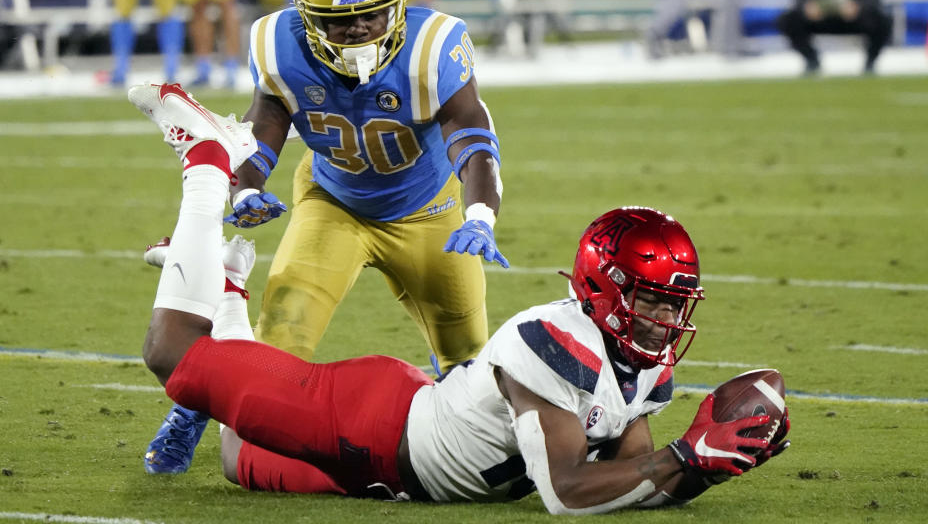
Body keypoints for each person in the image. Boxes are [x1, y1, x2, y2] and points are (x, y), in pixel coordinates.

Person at [126, 82, 791, 509]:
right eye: (653, 301)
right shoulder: (554, 342)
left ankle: (229, 289)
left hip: (402, 471)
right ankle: (208, 166)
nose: (666, 320)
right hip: (373, 424)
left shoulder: (641, 364)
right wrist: (684, 456)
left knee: (239, 457)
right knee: (172, 354)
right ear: (607, 290)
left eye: (675, 305)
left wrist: (705, 468)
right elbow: (567, 493)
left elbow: (636, 478)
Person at [143, 0, 508, 475]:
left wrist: (480, 215)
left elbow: (474, 135)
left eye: (372, 13)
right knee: (278, 341)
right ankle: (195, 405)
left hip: (429, 210)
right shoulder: (278, 43)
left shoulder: (435, 45)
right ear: (309, 17)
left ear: (401, 0)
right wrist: (248, 185)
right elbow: (266, 121)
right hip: (333, 203)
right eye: (340, 20)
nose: (360, 28)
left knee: (470, 366)